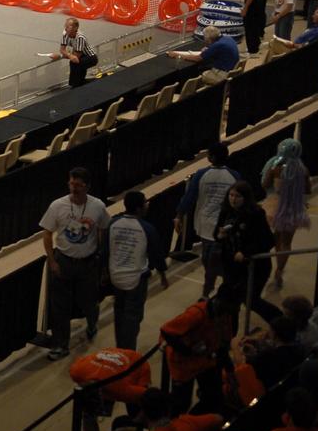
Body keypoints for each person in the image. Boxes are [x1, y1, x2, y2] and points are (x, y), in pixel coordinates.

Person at [41, 167, 110, 360]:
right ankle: (61, 345)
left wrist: (101, 255)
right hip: (63, 261)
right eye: (71, 184)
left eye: (78, 185)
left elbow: (104, 228)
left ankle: (92, 323)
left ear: (87, 187)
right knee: (60, 306)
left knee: (89, 301)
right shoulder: (57, 206)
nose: (74, 188)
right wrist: (52, 261)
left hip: (88, 263)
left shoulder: (97, 206)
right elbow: (47, 233)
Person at [174, 143, 241, 298]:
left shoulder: (201, 174)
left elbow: (189, 197)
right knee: (217, 260)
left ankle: (208, 293)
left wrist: (179, 215)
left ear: (211, 157)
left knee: (210, 263)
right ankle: (219, 288)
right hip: (225, 226)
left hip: (207, 225)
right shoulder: (235, 175)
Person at [107, 191, 169, 351]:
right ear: (138, 208)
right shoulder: (147, 228)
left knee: (119, 314)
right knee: (132, 318)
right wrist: (163, 275)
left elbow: (104, 250)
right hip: (136, 280)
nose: (148, 204)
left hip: (116, 278)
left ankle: (120, 348)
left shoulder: (112, 224)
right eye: (145, 202)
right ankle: (128, 353)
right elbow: (156, 254)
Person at [215, 181, 281, 326]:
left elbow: (268, 241)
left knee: (250, 299)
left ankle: (279, 320)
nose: (233, 199)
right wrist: (220, 236)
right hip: (232, 266)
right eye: (231, 195)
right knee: (230, 302)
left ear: (245, 198)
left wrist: (246, 252)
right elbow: (217, 233)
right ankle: (231, 332)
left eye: (237, 196)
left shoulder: (256, 214)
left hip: (255, 267)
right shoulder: (226, 211)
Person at [160, 296, 236, 415]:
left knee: (214, 396)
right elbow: (166, 331)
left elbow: (222, 344)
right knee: (181, 404)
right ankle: (179, 423)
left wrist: (229, 369)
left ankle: (200, 420)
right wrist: (189, 351)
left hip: (205, 359)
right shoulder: (195, 314)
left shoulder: (225, 316)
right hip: (182, 363)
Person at [67, 347, 152, 431]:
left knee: (139, 413)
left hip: (138, 363)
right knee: (88, 415)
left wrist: (139, 425)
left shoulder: (124, 390)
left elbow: (151, 398)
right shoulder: (76, 372)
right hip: (110, 358)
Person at [262, 139, 311, 289]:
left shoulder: (275, 167)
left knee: (277, 239)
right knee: (287, 242)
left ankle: (276, 265)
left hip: (275, 206)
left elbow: (265, 184)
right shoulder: (303, 170)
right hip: (294, 207)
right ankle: (280, 269)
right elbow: (307, 190)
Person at [168, 26, 240, 85]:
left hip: (223, 74)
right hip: (232, 69)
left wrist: (177, 55)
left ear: (209, 39)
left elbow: (198, 58)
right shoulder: (228, 38)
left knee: (197, 77)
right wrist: (209, 48)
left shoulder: (217, 45)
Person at [51, 17, 99, 88]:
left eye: (68, 27)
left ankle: (75, 84)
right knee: (75, 64)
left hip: (90, 58)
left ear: (75, 28)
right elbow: (62, 50)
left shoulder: (80, 38)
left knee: (74, 63)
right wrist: (67, 55)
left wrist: (60, 56)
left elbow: (75, 57)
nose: (66, 28)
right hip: (80, 55)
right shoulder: (65, 33)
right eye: (65, 26)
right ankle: (78, 83)